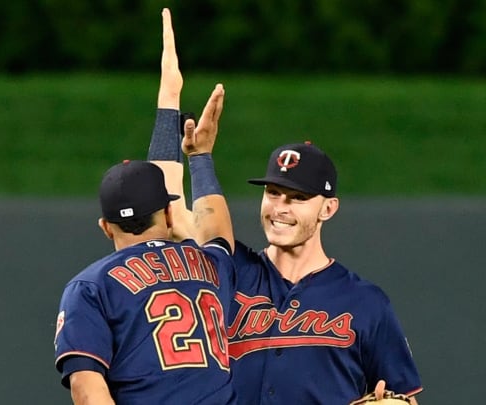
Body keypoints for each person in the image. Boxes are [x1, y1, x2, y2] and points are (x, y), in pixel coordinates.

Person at [148, 9, 423, 405]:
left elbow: (407, 397)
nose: (280, 207)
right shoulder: (231, 270)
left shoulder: (366, 303)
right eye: (273, 193)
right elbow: (171, 210)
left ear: (328, 209)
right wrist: (182, 126)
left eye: (297, 197)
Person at [52, 11, 237, 404]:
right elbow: (217, 230)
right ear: (169, 215)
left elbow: (88, 389)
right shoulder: (208, 266)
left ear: (105, 226)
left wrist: (168, 98)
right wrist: (198, 154)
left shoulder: (90, 287)